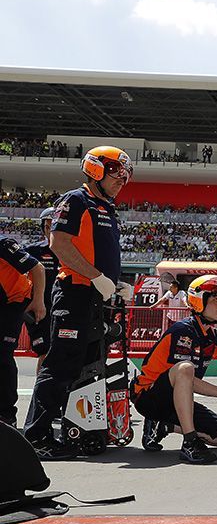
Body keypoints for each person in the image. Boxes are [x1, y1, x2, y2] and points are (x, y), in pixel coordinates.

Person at [24, 146, 131, 460]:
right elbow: (59, 244)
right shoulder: (77, 200)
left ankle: (80, 431)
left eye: (125, 174)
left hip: (94, 298)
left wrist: (116, 283)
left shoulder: (106, 207)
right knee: (60, 367)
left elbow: (97, 253)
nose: (122, 179)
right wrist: (97, 276)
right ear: (96, 169)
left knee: (86, 366)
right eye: (116, 172)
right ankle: (36, 437)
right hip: (74, 294)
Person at [132, 275, 217, 464]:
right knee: (186, 368)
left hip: (175, 401)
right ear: (199, 300)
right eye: (215, 299)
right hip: (148, 396)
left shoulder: (211, 334)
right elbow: (186, 378)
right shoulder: (183, 331)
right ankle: (190, 442)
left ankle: (164, 427)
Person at [0, 238, 46, 427]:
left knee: (2, 356)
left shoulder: (4, 245)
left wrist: (38, 301)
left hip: (13, 304)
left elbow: (38, 268)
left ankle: (6, 414)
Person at [21, 207, 60, 373]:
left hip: (64, 310)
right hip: (39, 312)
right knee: (45, 351)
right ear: (43, 227)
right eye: (48, 224)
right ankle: (41, 395)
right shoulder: (32, 251)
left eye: (55, 224)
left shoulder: (73, 252)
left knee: (64, 352)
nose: (51, 228)